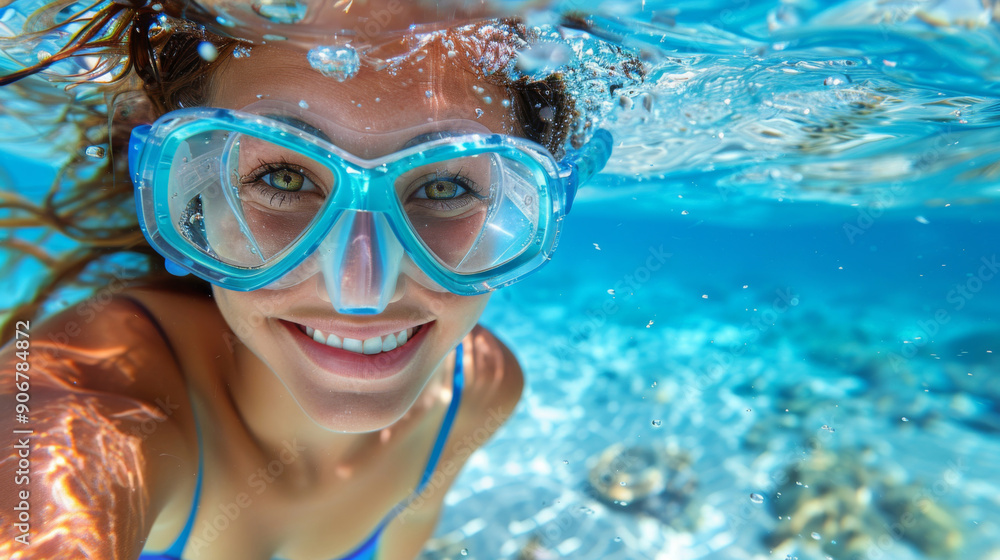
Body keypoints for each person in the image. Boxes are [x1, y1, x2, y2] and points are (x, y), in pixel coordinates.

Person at [0, 1, 630, 558]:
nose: (363, 290)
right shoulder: (85, 396)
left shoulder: (475, 396)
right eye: (284, 178)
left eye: (445, 187)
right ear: (188, 187)